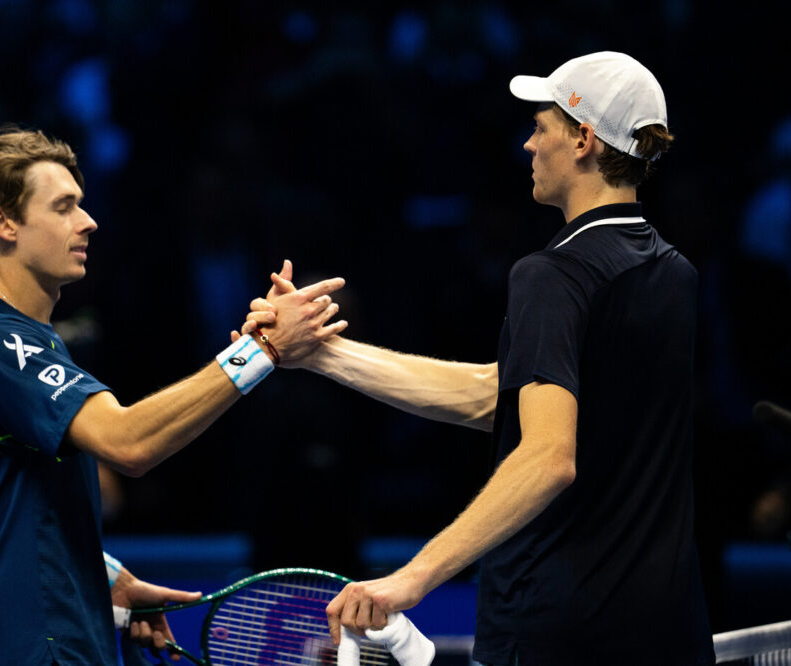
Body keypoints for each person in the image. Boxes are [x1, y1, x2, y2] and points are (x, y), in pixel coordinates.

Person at [244, 52, 714, 665]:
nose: (527, 144)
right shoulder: (672, 272)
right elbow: (503, 399)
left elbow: (548, 455)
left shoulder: (554, 274)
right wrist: (321, 353)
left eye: (541, 127)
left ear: (582, 140)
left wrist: (410, 578)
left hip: (559, 636)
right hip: (667, 633)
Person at [0, 127, 348, 665]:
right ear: (3, 222)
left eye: (81, 205)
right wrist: (262, 349)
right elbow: (129, 442)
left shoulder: (30, 340)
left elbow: (17, 508)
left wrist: (104, 576)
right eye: (63, 207)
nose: (88, 221)